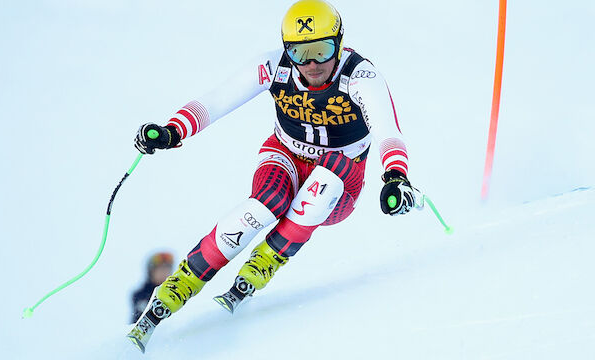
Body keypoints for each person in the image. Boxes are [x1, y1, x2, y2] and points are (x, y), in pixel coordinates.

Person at [128, 0, 417, 352]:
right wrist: (173, 130)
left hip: (341, 184)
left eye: (322, 50)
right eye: (300, 53)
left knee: (330, 172)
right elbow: (216, 102)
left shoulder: (360, 76)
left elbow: (388, 130)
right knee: (267, 204)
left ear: (339, 44)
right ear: (286, 50)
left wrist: (395, 176)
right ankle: (178, 286)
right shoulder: (272, 66)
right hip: (285, 156)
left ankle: (263, 264)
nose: (311, 64)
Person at [129, 252, 175, 323]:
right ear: (151, 272)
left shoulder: (176, 293)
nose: (165, 273)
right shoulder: (141, 295)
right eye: (161, 269)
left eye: (167, 269)